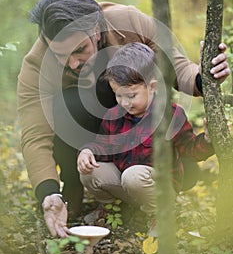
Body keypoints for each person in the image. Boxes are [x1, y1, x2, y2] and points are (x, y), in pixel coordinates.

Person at [17, 0, 229, 238]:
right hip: (101, 133)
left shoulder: (128, 21)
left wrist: (205, 77)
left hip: (149, 132)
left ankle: (155, 186)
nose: (72, 63)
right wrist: (49, 192)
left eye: (79, 50)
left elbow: (176, 67)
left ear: (95, 30)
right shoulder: (36, 63)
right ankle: (74, 188)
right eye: (61, 55)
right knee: (69, 103)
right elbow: (34, 134)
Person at [77, 42, 215, 236]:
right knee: (89, 171)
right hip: (126, 183)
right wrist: (88, 150)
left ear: (152, 86)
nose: (124, 102)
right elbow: (104, 148)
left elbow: (190, 149)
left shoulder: (170, 115)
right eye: (118, 95)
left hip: (155, 186)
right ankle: (112, 209)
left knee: (133, 176)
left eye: (131, 95)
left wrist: (208, 140)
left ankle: (160, 215)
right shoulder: (114, 115)